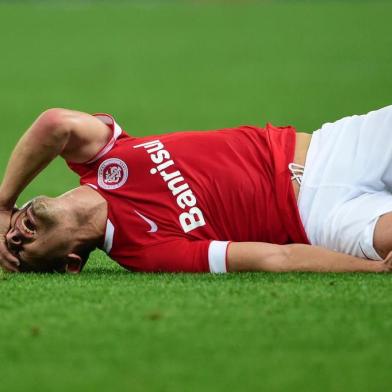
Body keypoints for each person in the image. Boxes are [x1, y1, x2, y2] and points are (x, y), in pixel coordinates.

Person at [1, 106, 392, 274]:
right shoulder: (144, 252)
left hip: (333, 147)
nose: (15, 233)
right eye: (20, 249)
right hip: (322, 218)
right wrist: (372, 269)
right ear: (72, 262)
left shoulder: (100, 161)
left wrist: (2, 204)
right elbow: (274, 258)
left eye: (10, 233)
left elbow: (55, 124)